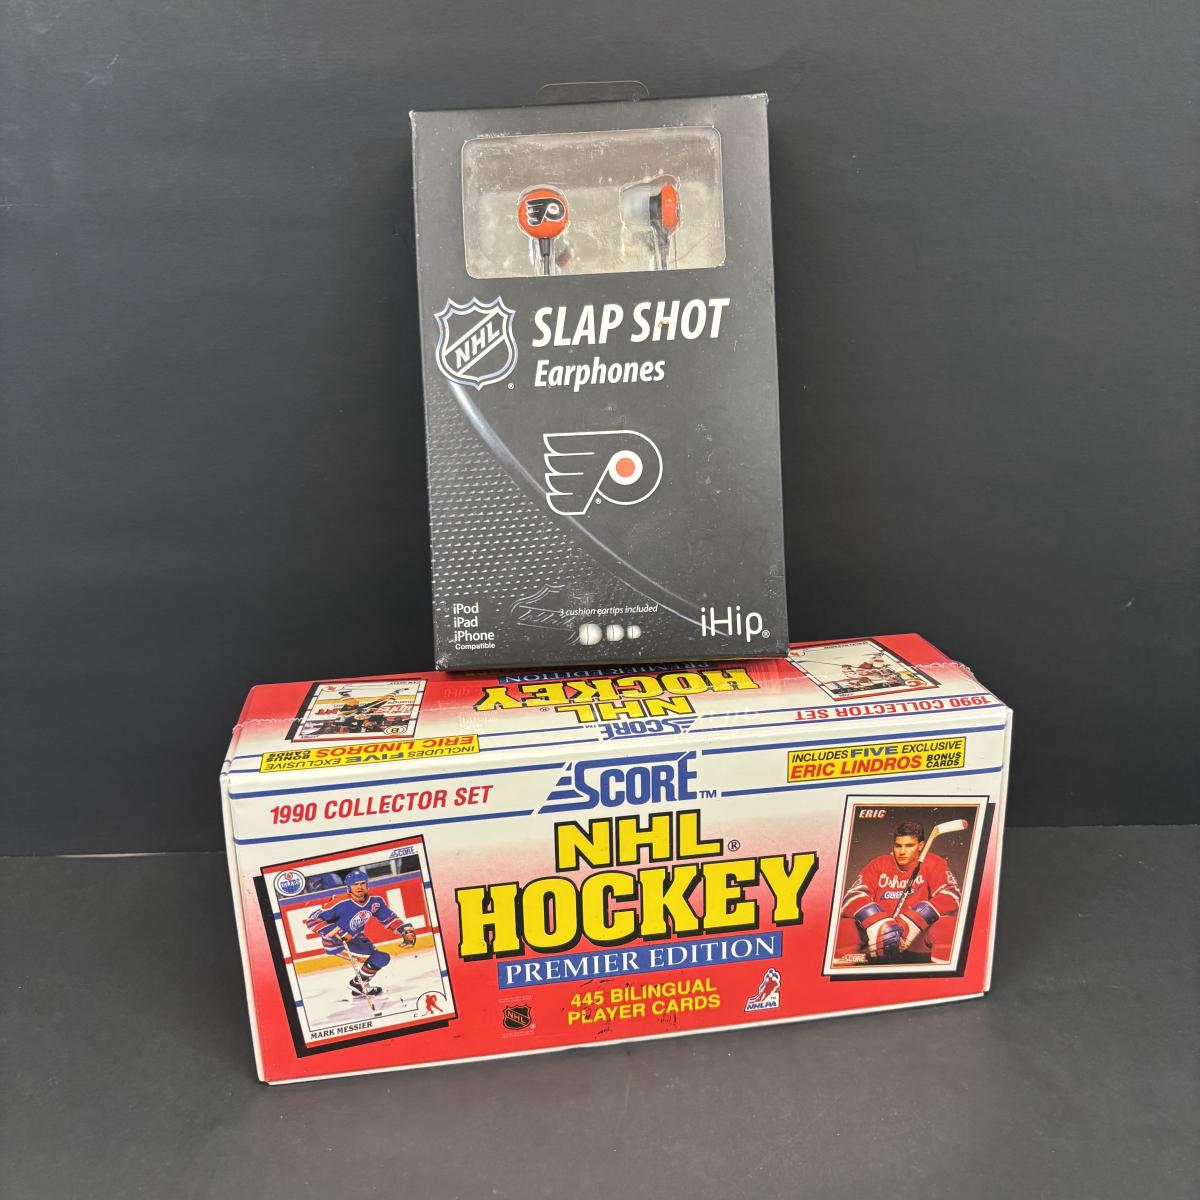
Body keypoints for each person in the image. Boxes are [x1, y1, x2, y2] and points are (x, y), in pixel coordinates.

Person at [840, 821, 961, 961]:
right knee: (845, 929)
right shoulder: (880, 864)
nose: (902, 852)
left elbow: (952, 894)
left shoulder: (933, 862)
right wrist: (879, 922)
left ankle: (942, 974)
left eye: (909, 846)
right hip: (878, 940)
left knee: (948, 927)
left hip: (917, 940)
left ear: (920, 846)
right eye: (898, 846)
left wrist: (914, 919)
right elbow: (852, 897)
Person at [304, 869, 417, 996]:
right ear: (349, 887)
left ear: (367, 884)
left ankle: (360, 986)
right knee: (380, 958)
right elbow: (312, 920)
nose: (359, 887)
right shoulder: (340, 902)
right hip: (337, 942)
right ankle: (358, 984)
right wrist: (335, 931)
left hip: (357, 938)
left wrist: (404, 930)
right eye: (355, 884)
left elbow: (389, 919)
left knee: (379, 958)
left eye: (362, 883)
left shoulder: (375, 902)